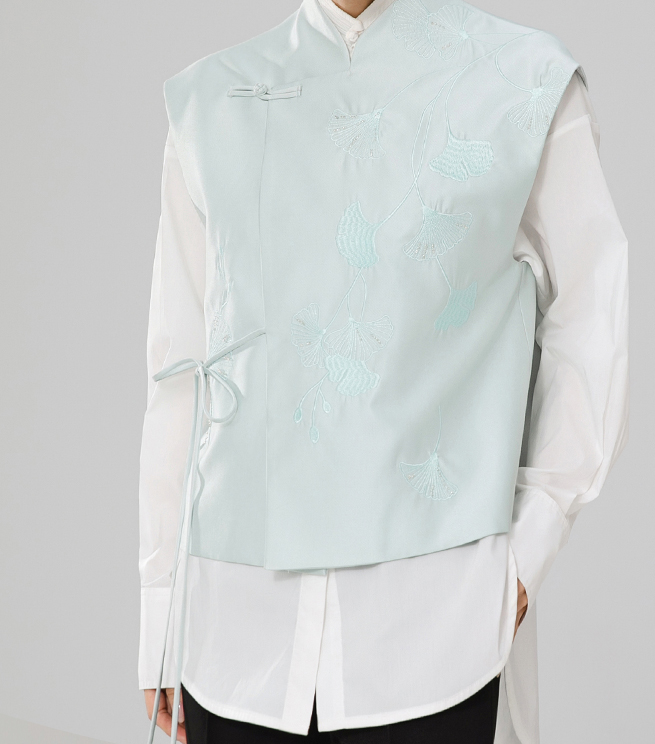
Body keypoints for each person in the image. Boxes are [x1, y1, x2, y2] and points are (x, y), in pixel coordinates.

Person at [138, 0, 629, 742]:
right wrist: (160, 606)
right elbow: (179, 365)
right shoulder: (210, 99)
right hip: (231, 630)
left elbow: (592, 316)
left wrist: (532, 543)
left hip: (436, 624)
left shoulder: (524, 81)